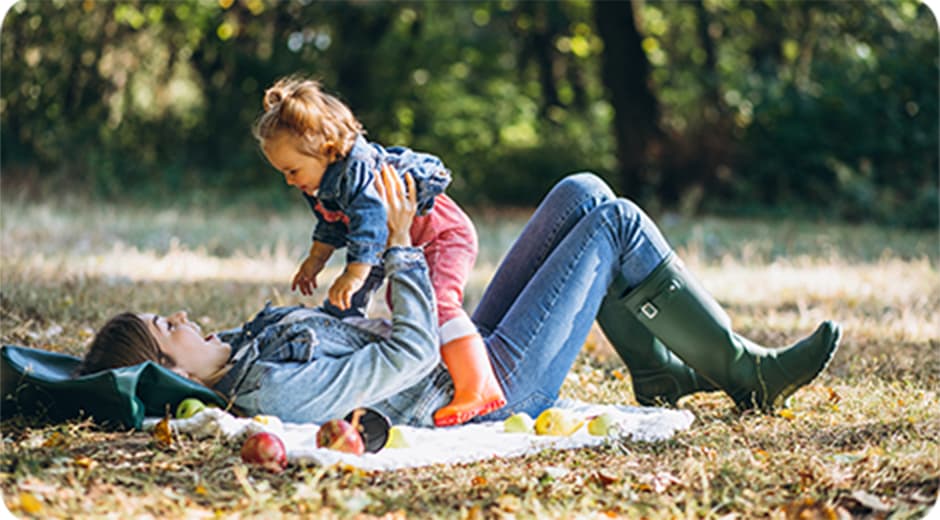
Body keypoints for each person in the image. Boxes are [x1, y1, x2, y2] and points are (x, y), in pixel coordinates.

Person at [76, 167, 842, 428]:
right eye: (164, 327)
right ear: (169, 371)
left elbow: (366, 322)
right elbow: (404, 351)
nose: (176, 316)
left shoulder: (250, 344)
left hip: (458, 349)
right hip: (487, 391)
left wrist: (367, 245)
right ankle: (748, 375)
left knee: (581, 192)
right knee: (611, 224)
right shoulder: (273, 386)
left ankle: (663, 373)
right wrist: (405, 250)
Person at [252, 77, 503, 426]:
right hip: (400, 243)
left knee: (439, 302)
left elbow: (370, 222)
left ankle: (479, 386)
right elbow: (332, 225)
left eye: (292, 170)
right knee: (385, 295)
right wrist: (315, 260)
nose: (289, 181)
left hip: (442, 235)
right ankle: (347, 324)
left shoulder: (358, 169)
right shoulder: (324, 182)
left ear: (326, 149)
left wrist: (353, 273)